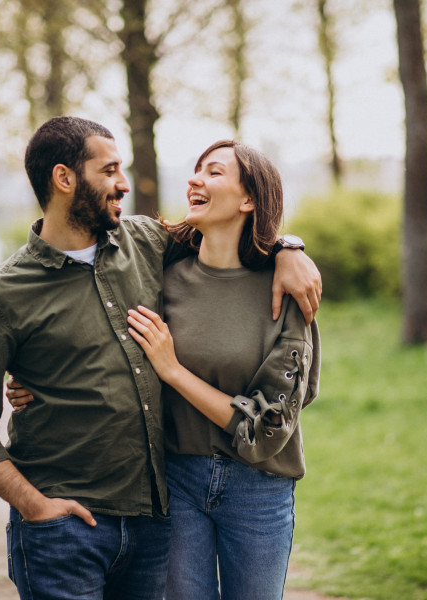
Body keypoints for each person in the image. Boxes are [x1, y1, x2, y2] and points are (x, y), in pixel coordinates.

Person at [0, 116, 321, 600]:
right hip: (71, 526)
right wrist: (34, 505)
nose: (124, 184)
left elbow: (231, 237)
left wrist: (289, 248)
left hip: (154, 522)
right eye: (110, 171)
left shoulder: (143, 242)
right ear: (65, 179)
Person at [124, 140, 320, 599]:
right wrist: (35, 383)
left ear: (248, 199)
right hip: (178, 480)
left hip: (260, 489)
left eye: (213, 172)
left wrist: (174, 372)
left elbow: (268, 427)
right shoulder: (162, 278)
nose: (194, 179)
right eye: (195, 171)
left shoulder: (285, 291)